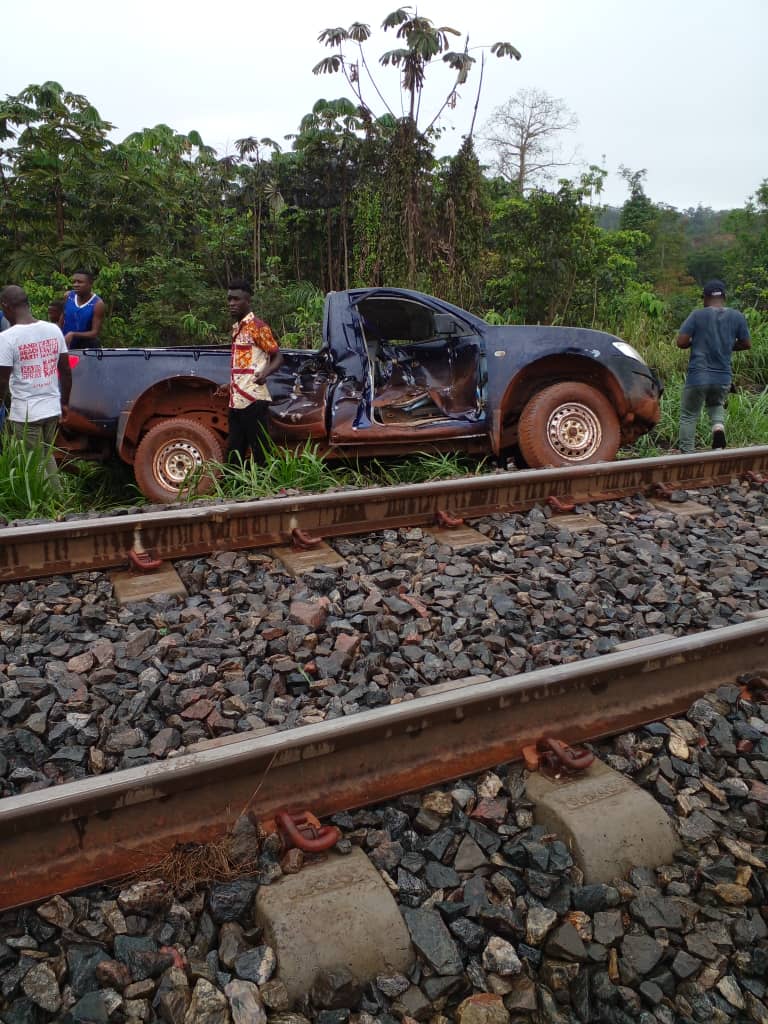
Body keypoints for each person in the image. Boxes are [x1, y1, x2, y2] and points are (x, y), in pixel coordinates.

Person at [0, 285, 72, 482]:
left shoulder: (7, 338)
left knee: (36, 465)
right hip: (51, 409)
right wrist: (64, 403)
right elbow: (65, 371)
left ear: (6, 306)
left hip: (26, 413)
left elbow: (2, 380)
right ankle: (57, 506)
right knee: (46, 458)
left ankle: (53, 506)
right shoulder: (53, 329)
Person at [676, 280, 751, 452]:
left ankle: (687, 454)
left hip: (698, 375)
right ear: (724, 297)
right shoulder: (737, 316)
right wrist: (727, 345)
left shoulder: (697, 315)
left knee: (689, 415)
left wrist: (694, 342)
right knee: (716, 405)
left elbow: (681, 342)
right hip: (722, 377)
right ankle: (718, 430)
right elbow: (747, 343)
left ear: (706, 298)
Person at [226, 279, 283, 462]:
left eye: (236, 299)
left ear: (247, 301)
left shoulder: (257, 327)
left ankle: (267, 489)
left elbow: (278, 357)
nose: (232, 304)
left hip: (253, 399)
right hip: (236, 401)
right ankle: (236, 489)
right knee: (234, 453)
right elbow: (245, 365)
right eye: (229, 299)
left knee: (260, 453)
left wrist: (264, 374)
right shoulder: (237, 329)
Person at [62, 270, 105, 349]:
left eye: (80, 282)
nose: (76, 285)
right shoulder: (68, 296)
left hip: (85, 347)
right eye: (74, 282)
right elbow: (61, 320)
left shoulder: (97, 304)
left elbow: (94, 333)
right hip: (65, 344)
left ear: (90, 284)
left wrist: (73, 334)